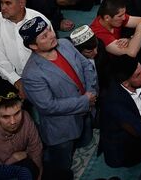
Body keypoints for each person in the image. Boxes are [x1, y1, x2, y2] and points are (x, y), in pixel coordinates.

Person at [18, 16, 98, 180]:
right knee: (61, 164)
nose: (52, 35)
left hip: (87, 108)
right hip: (63, 127)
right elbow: (48, 106)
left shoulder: (65, 44)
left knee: (85, 140)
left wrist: (91, 92)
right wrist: (84, 101)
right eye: (44, 36)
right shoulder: (31, 74)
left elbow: (86, 65)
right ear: (33, 46)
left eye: (49, 30)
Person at [0, 92, 44, 179]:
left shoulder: (25, 116)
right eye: (6, 117)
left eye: (17, 114)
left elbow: (36, 148)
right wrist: (13, 159)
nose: (13, 122)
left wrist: (38, 175)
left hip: (27, 162)